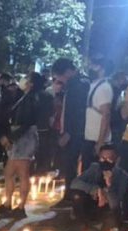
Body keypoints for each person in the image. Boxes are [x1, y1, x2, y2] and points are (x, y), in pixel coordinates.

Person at [0, 71, 52, 217]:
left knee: (21, 173)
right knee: (11, 172)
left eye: (27, 78)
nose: (23, 80)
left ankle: (20, 207)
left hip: (24, 137)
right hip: (21, 136)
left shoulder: (32, 98)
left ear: (31, 83)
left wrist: (11, 138)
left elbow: (27, 122)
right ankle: (9, 204)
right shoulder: (28, 96)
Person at [68, 144, 128, 231]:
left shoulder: (123, 176)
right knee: (76, 195)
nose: (105, 161)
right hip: (92, 203)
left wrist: (109, 187)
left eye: (109, 159)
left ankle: (104, 227)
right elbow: (74, 183)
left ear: (116, 159)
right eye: (102, 158)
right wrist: (96, 190)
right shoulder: (95, 168)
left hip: (110, 210)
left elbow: (116, 203)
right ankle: (82, 224)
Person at [51, 57, 90, 185]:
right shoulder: (72, 85)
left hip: (75, 134)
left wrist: (69, 132)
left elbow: (78, 112)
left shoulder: (79, 85)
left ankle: (72, 192)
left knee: (71, 165)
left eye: (60, 76)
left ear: (67, 71)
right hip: (72, 132)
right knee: (68, 165)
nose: (60, 80)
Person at [83, 56, 114, 176]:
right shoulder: (93, 85)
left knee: (97, 175)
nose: (91, 68)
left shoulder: (104, 88)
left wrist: (100, 142)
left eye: (94, 65)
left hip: (97, 139)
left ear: (102, 69)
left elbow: (106, 115)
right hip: (89, 137)